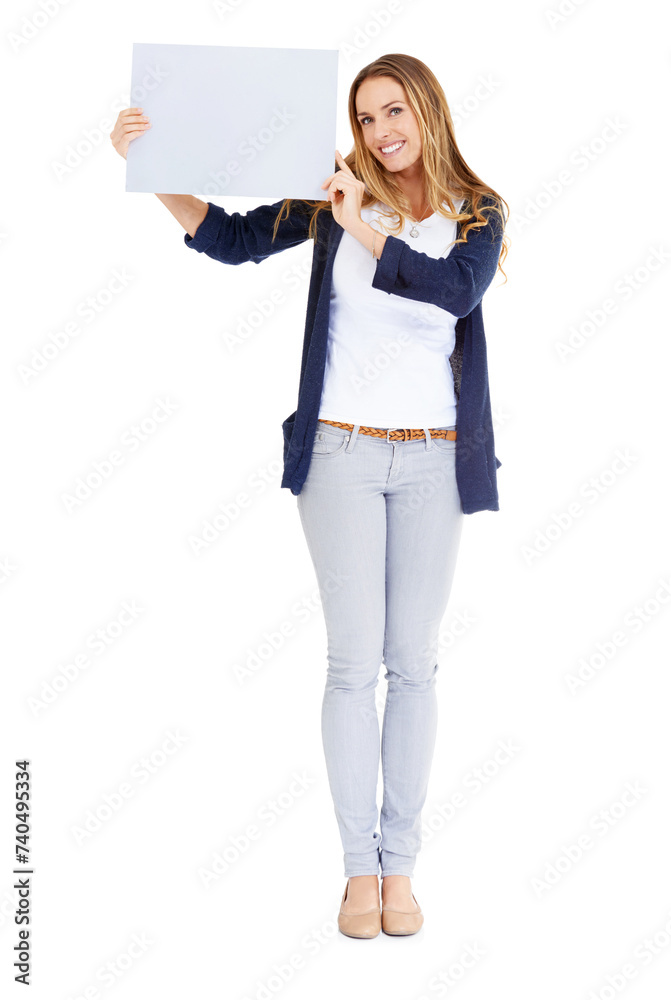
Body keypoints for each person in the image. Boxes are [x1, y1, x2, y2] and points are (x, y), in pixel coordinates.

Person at [111, 52, 509, 939]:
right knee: (349, 662)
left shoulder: (477, 210)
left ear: (429, 111)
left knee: (413, 662)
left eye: (392, 112)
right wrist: (152, 171)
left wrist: (361, 226)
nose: (378, 134)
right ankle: (357, 872)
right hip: (337, 454)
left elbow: (451, 291)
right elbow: (233, 239)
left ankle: (401, 868)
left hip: (436, 459)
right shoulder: (335, 196)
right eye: (364, 119)